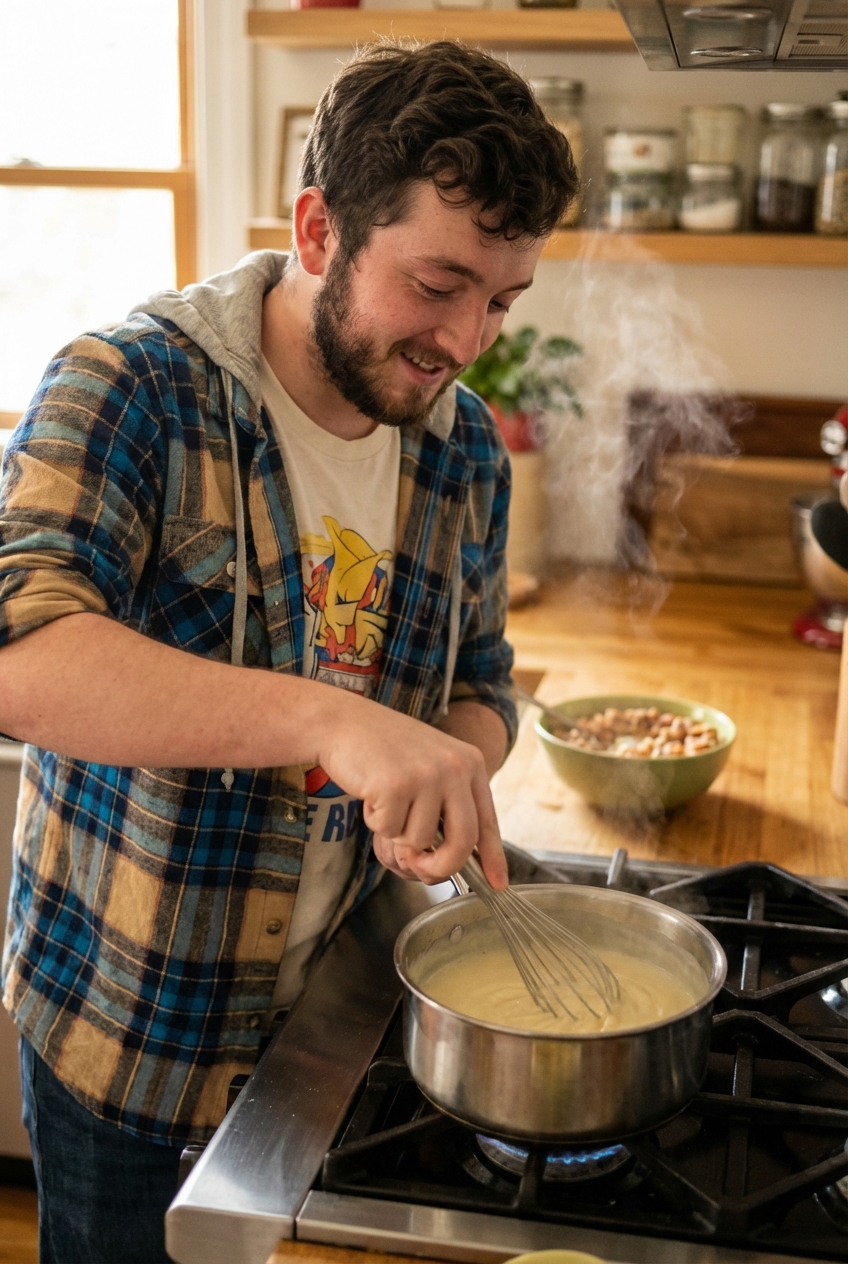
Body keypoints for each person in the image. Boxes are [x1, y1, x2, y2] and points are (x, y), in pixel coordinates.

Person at [0, 39, 577, 1264]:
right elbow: (21, 657)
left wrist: (448, 762)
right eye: (437, 284)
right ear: (318, 230)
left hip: (339, 1021)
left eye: (501, 301)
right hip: (138, 1034)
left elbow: (481, 681)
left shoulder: (462, 447)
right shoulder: (131, 387)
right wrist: (332, 718)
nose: (465, 337)